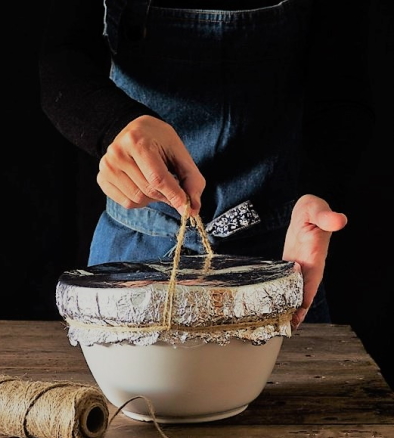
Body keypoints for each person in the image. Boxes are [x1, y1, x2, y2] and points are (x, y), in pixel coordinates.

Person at [39, 0, 374, 328]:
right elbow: (61, 54)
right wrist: (113, 126)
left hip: (280, 256)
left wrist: (318, 192)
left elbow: (342, 89)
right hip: (134, 253)